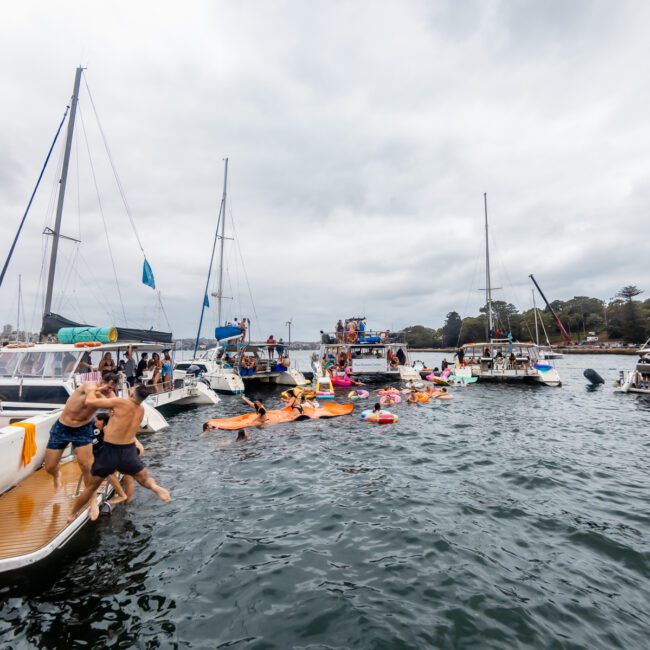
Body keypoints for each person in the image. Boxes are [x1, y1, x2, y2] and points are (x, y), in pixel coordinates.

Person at [67, 384, 170, 523]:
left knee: (91, 487)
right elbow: (119, 410)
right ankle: (155, 487)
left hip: (110, 451)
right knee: (144, 480)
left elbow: (90, 402)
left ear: (132, 394)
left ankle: (72, 514)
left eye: (131, 390)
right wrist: (109, 396)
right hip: (128, 451)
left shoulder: (120, 403)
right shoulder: (141, 410)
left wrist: (91, 390)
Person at [44, 372, 119, 499]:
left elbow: (115, 406)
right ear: (100, 381)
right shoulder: (89, 385)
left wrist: (113, 409)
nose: (107, 389)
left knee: (86, 465)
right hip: (63, 427)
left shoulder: (110, 394)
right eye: (105, 385)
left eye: (111, 388)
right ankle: (57, 475)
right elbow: (91, 400)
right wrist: (103, 392)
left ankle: (92, 499)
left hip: (82, 429)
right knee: (49, 466)